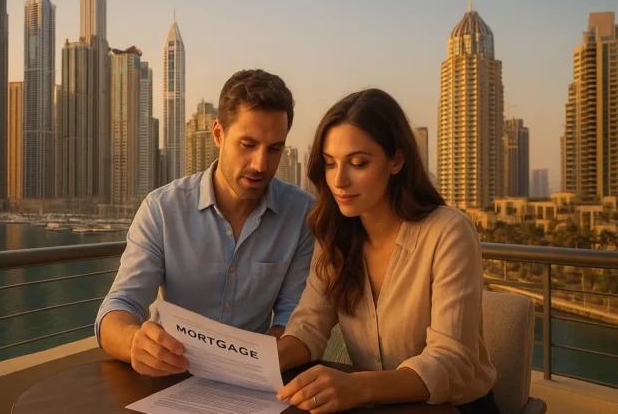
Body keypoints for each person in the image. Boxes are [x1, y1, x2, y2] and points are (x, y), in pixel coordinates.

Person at [276, 88, 498, 413]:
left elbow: (452, 361)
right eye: (329, 163)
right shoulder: (334, 235)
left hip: (452, 409)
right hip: (374, 405)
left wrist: (358, 386)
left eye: (358, 163)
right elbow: (309, 324)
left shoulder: (448, 232)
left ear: (396, 160)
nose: (339, 180)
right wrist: (249, 364)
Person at [96, 69, 315, 377]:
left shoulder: (302, 214)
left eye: (274, 149)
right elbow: (118, 308)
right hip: (170, 376)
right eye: (247, 144)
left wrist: (249, 365)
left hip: (252, 379)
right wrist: (135, 342)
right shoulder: (163, 209)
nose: (260, 165)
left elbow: (294, 321)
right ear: (218, 134)